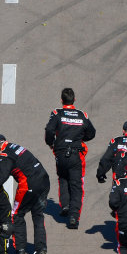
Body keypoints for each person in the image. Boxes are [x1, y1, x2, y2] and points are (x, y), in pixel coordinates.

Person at [0, 134, 50, 254]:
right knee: (38, 214)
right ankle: (40, 249)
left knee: (16, 213)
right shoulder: (14, 146)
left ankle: (20, 247)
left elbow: (1, 178)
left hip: (29, 184)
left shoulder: (5, 154)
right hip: (44, 179)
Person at [44, 88, 96, 229]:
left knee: (63, 178)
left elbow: (49, 130)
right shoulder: (82, 115)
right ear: (74, 100)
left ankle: (65, 205)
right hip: (76, 154)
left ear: (62, 100)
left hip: (60, 153)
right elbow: (92, 132)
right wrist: (80, 138)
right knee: (76, 185)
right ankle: (73, 216)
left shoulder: (57, 113)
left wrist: (51, 143)